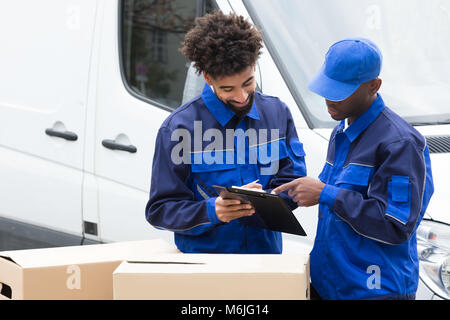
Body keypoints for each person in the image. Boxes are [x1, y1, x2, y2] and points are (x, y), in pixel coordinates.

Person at [273, 38, 434, 299]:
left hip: (373, 290)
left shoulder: (399, 143)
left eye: (340, 91)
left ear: (374, 86)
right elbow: (339, 205)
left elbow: (395, 226)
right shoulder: (341, 131)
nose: (329, 99)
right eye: (327, 87)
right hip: (330, 284)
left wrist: (325, 193)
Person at [145, 11, 307, 254]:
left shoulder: (277, 114)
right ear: (208, 78)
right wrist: (213, 211)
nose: (241, 97)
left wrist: (267, 202)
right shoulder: (178, 129)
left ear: (254, 66)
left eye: (248, 83)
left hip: (266, 264)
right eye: (228, 88)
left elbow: (292, 184)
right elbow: (160, 210)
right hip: (206, 270)